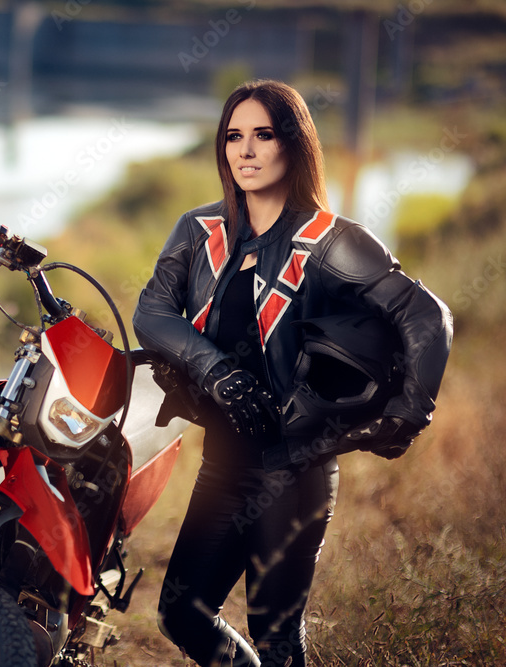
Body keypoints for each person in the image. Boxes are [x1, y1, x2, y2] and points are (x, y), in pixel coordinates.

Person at [132, 79, 453, 666]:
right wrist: (217, 369)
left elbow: (427, 316)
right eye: (233, 136)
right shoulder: (197, 230)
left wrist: (408, 413)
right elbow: (151, 312)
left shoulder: (329, 241)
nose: (246, 151)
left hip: (294, 469)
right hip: (222, 463)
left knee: (277, 639)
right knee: (181, 613)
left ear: (294, 145)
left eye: (263, 135)